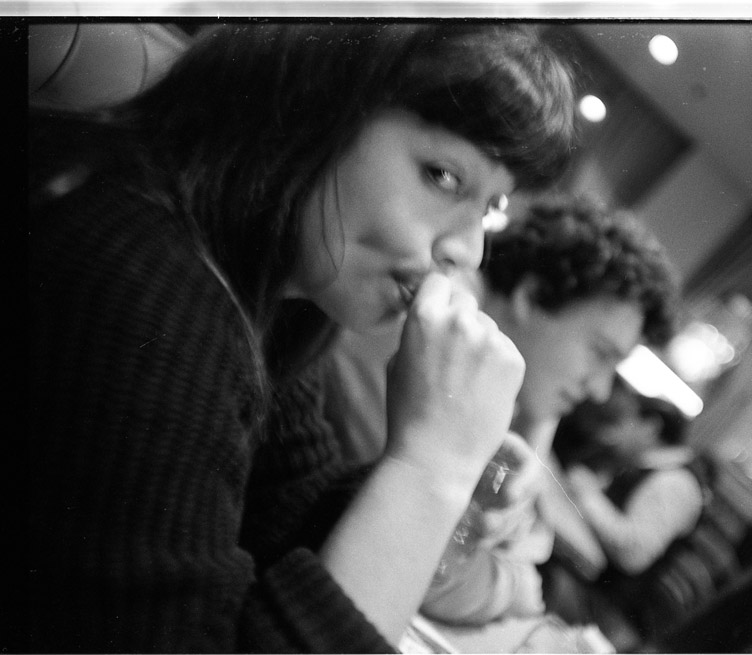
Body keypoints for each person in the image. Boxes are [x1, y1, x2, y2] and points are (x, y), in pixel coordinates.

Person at [27, 22, 577, 653]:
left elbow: (285, 507)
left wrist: (449, 474)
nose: (469, 251)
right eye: (444, 176)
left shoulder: (276, 299)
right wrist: (431, 472)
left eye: (490, 208)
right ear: (313, 97)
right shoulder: (146, 282)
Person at [322, 194, 681, 629]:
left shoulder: (507, 386)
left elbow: (523, 539)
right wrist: (511, 587)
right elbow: (416, 562)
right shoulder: (424, 328)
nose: (601, 390)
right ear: (532, 296)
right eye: (600, 353)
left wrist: (538, 425)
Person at [545, 378, 716, 651]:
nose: (616, 432)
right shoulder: (649, 467)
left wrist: (588, 495)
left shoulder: (676, 484)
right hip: (589, 579)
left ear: (650, 428)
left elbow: (632, 554)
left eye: (625, 422)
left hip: (602, 608)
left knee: (534, 564)